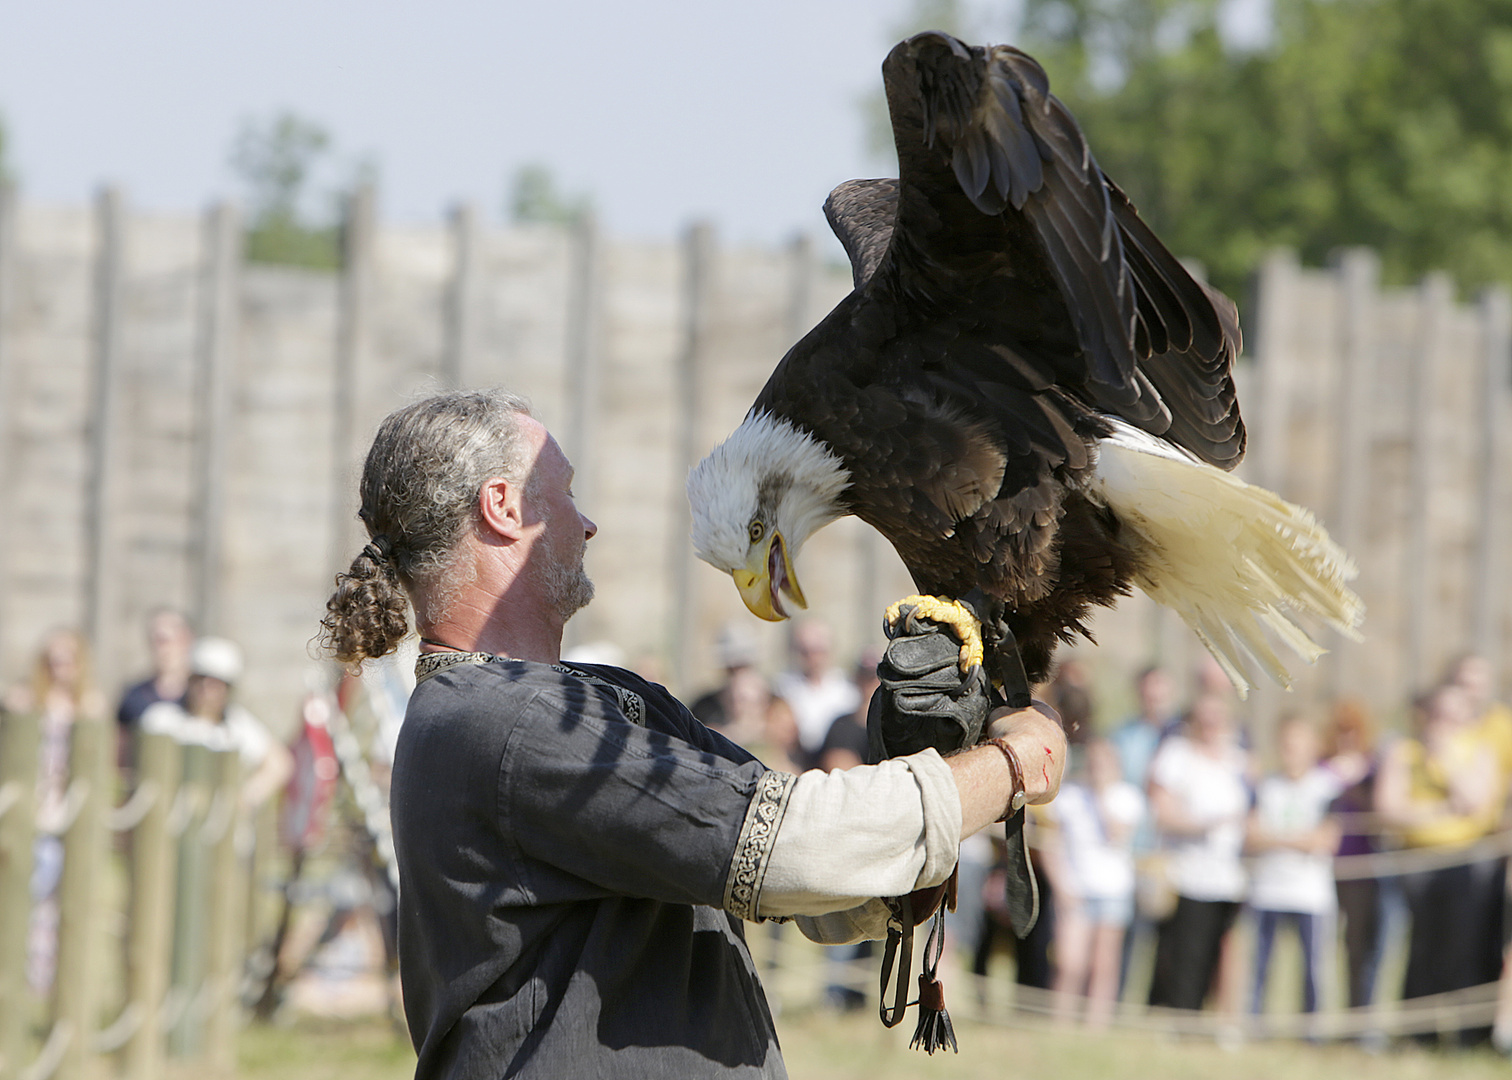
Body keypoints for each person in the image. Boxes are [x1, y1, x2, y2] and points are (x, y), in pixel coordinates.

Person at [317, 389, 1067, 1078]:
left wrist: (930, 763)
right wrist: (1011, 763)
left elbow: (817, 880)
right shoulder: (502, 721)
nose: (585, 521)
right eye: (567, 490)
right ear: (503, 508)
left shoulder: (598, 700)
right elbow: (794, 849)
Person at [1377, 683, 1502, 1045]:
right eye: (1438, 713)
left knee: (1465, 947)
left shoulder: (1479, 750)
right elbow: (1389, 808)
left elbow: (1477, 803)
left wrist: (1445, 760)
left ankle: (1466, 1035)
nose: (1443, 722)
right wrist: (1440, 810)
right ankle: (1418, 1034)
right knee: (1420, 947)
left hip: (1469, 863)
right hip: (1416, 863)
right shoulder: (1404, 750)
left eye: (1453, 714)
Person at [3, 628, 107, 992]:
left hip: (65, 816)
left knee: (55, 906)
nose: (59, 669)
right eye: (52, 660)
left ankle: (40, 984)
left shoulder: (89, 706)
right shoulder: (25, 701)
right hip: (26, 815)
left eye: (68, 660)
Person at [1145, 692, 1250, 1011]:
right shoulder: (1176, 754)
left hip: (1227, 876)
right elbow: (1162, 811)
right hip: (1187, 873)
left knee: (1222, 953)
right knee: (1185, 953)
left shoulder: (1237, 759)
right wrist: (1205, 824)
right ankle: (1178, 1014)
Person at [1246, 716, 1341, 1019]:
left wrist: (1274, 838)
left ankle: (1311, 1030)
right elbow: (1250, 836)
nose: (1292, 750)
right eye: (1287, 743)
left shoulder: (1328, 788)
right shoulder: (1266, 786)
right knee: (1259, 966)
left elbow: (1326, 840)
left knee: (1314, 968)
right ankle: (1254, 1024)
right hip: (1268, 890)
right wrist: (1299, 840)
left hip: (1310, 893)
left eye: (1299, 743)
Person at [1047, 737, 1143, 1028]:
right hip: (1075, 889)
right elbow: (1051, 843)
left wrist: (1101, 796)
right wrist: (1060, 884)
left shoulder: (1127, 797)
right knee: (1069, 962)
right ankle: (1060, 1021)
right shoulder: (1070, 797)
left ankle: (1096, 1025)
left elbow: (1117, 834)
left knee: (1104, 964)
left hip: (1113, 890)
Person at [140, 637, 293, 811]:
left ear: (227, 687)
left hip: (222, 827)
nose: (205, 688)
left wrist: (245, 798)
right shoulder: (161, 719)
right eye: (200, 679)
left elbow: (279, 763)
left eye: (215, 683)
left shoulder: (240, 726)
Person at [1321, 698, 1384, 1010]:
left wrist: (1353, 785)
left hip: (1359, 867)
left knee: (1358, 947)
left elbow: (1379, 813)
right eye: (1340, 731)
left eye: (1352, 731)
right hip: (1321, 869)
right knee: (1319, 947)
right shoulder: (1319, 766)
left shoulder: (1372, 767)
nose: (1345, 738)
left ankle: (1356, 1016)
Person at [770, 619, 859, 770]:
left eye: (817, 650)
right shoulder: (784, 687)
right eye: (805, 651)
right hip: (797, 759)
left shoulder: (847, 690)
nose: (812, 657)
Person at [116, 608, 193, 736]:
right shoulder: (134, 696)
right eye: (155, 640)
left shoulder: (202, 692)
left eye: (165, 640)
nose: (162, 648)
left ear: (187, 640)